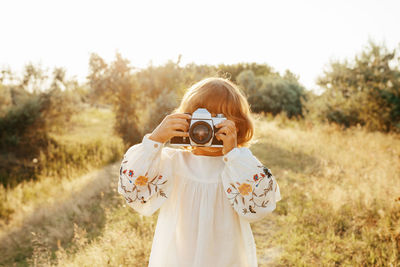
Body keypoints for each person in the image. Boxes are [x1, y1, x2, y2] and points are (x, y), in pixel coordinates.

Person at [118, 77, 282, 267]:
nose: (205, 130)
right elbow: (131, 188)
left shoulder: (238, 165)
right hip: (178, 257)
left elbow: (263, 203)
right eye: (201, 120)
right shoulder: (172, 162)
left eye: (216, 120)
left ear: (237, 126)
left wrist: (234, 155)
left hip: (226, 257)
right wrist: (155, 139)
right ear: (186, 120)